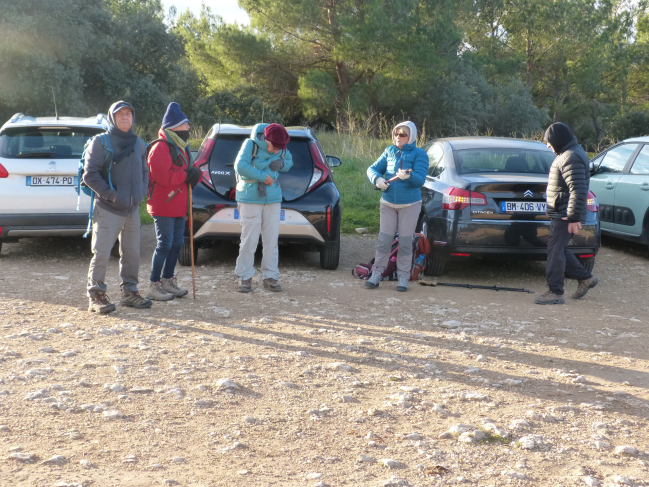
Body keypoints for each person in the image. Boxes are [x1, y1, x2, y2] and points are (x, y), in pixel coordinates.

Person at [84, 101, 151, 313]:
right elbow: (90, 175)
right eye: (120, 114)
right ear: (112, 118)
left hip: (132, 209)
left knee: (132, 253)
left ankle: (130, 292)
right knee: (102, 253)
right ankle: (96, 295)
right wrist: (112, 196)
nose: (125, 117)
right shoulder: (101, 142)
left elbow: (144, 172)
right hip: (108, 209)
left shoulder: (139, 143)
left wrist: (141, 192)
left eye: (128, 113)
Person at [534, 122, 599, 305]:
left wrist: (573, 216)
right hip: (562, 211)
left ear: (557, 140)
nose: (547, 145)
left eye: (549, 141)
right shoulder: (569, 153)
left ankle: (555, 292)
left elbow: (578, 190)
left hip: (565, 213)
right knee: (559, 248)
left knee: (555, 251)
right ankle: (586, 278)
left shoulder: (571, 156)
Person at [145, 102, 202, 301]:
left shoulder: (183, 147)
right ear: (175, 126)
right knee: (164, 244)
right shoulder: (160, 148)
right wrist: (186, 175)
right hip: (163, 205)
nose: (188, 128)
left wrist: (196, 175)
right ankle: (154, 284)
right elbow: (164, 178)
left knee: (177, 243)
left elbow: (190, 172)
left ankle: (168, 280)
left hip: (179, 205)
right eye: (186, 124)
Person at [365, 121, 428, 292]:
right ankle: (376, 273)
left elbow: (420, 180)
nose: (398, 137)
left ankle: (403, 277)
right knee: (384, 240)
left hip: (410, 204)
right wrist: (377, 179)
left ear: (411, 136)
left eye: (402, 134)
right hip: (387, 203)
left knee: (406, 242)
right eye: (396, 134)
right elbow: (372, 169)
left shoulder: (420, 154)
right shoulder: (389, 151)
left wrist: (409, 176)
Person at [234, 123, 293, 293]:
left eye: (280, 149)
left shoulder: (281, 146)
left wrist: (281, 164)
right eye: (274, 147)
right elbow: (240, 166)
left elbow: (288, 161)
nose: (277, 151)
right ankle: (244, 276)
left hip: (273, 197)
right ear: (266, 139)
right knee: (249, 239)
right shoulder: (250, 144)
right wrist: (264, 176)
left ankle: (270, 276)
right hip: (249, 197)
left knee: (271, 239)